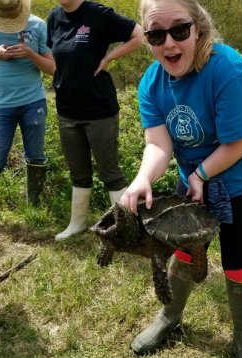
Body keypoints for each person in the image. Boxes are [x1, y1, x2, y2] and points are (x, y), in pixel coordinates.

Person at [120, 0, 242, 358]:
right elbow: (158, 144)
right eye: (155, 34)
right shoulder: (151, 82)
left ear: (198, 28)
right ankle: (170, 316)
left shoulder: (229, 70)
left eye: (179, 30)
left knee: (240, 266)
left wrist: (202, 173)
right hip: (195, 181)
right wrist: (141, 180)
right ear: (148, 39)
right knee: (183, 251)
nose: (168, 42)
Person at [47, 0, 144, 241]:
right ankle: (77, 223)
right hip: (67, 110)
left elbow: (138, 34)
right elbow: (55, 57)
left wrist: (109, 58)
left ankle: (126, 230)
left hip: (99, 109)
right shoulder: (54, 17)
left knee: (110, 172)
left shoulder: (98, 14)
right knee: (78, 172)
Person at [0, 0, 55, 239]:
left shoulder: (37, 24)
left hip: (34, 102)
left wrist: (30, 53)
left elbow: (53, 68)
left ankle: (33, 206)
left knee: (36, 155)